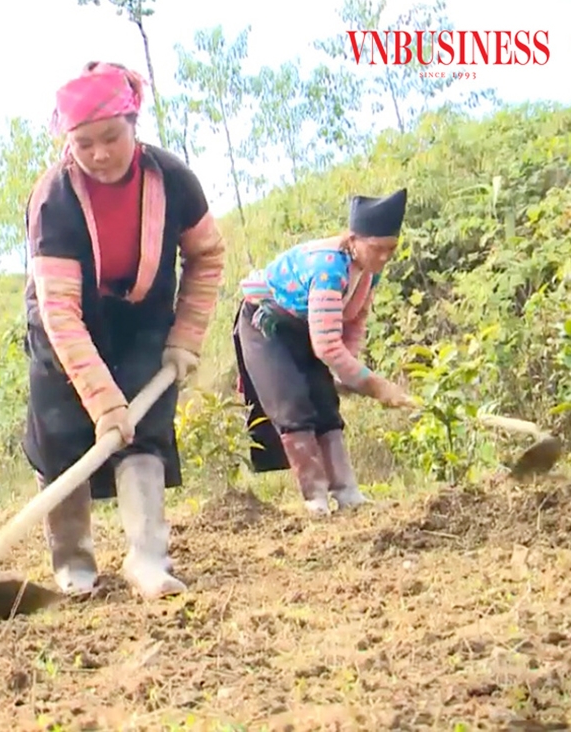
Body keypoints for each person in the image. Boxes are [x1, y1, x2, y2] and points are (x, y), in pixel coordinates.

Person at [21, 61, 227, 601]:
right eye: (84, 143)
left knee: (146, 426)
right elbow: (61, 312)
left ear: (133, 123)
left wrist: (185, 336)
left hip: (142, 319)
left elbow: (207, 255)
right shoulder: (54, 200)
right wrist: (101, 400)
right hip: (63, 322)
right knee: (62, 434)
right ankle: (73, 564)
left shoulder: (174, 179)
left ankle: (148, 558)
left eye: (111, 137)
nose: (100, 154)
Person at [231, 188, 415, 516]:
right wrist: (374, 385)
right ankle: (315, 500)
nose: (384, 256)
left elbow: (353, 322)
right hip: (267, 325)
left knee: (326, 403)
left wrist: (347, 370)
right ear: (355, 239)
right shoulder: (328, 267)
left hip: (308, 327)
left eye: (391, 249)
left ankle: (347, 493)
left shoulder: (369, 272)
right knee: (294, 404)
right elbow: (327, 346)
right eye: (378, 248)